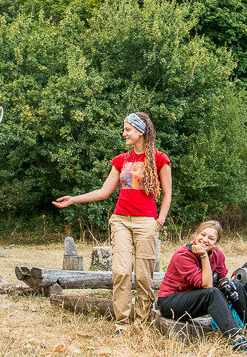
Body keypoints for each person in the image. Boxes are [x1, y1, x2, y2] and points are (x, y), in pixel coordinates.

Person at [53, 112, 172, 332]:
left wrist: (159, 221)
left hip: (147, 222)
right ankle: (123, 324)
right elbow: (104, 191)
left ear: (141, 131)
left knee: (145, 276)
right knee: (121, 272)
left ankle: (142, 324)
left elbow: (167, 193)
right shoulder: (121, 160)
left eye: (128, 129)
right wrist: (74, 199)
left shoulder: (159, 159)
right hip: (120, 221)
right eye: (124, 129)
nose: (124, 133)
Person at [156, 220, 247, 350]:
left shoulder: (217, 254)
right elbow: (206, 285)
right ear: (196, 234)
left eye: (211, 238)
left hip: (195, 298)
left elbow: (221, 276)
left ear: (216, 243)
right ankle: (236, 338)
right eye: (202, 235)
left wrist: (225, 283)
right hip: (171, 302)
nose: (205, 240)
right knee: (212, 293)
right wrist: (203, 256)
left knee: (236, 287)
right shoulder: (183, 255)